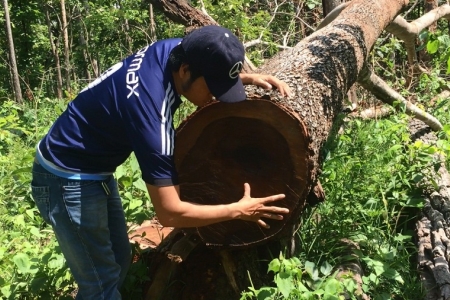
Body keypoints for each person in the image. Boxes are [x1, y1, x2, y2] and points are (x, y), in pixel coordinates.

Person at [31, 25, 291, 299]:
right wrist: (239, 210)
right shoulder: (153, 118)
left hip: (93, 169)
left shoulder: (178, 49)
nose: (216, 95)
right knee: (100, 284)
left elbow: (205, 65)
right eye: (213, 86)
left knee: (119, 259)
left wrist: (241, 79)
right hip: (67, 180)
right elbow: (169, 212)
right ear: (185, 71)